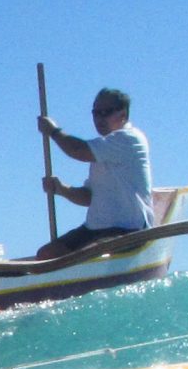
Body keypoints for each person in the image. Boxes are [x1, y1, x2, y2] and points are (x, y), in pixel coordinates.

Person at [36, 87, 154, 260]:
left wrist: (53, 131)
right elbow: (88, 198)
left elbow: (77, 150)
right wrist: (60, 189)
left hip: (128, 229)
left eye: (106, 112)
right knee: (46, 254)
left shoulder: (129, 139)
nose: (99, 118)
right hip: (94, 229)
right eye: (96, 113)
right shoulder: (102, 150)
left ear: (122, 115)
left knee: (88, 256)